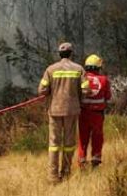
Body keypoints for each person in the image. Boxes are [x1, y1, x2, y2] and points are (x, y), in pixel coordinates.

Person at [38, 42, 89, 183]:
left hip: (54, 110)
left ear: (59, 54)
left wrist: (50, 91)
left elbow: (42, 90)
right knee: (69, 143)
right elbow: (86, 90)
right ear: (71, 53)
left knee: (54, 143)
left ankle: (53, 177)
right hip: (72, 111)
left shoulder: (50, 69)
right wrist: (79, 99)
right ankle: (66, 173)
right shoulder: (79, 69)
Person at [78, 54, 111, 169]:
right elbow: (108, 96)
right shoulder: (104, 80)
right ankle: (95, 161)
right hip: (97, 114)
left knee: (83, 138)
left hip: (83, 113)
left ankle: (82, 161)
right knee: (97, 137)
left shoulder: (81, 78)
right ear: (98, 67)